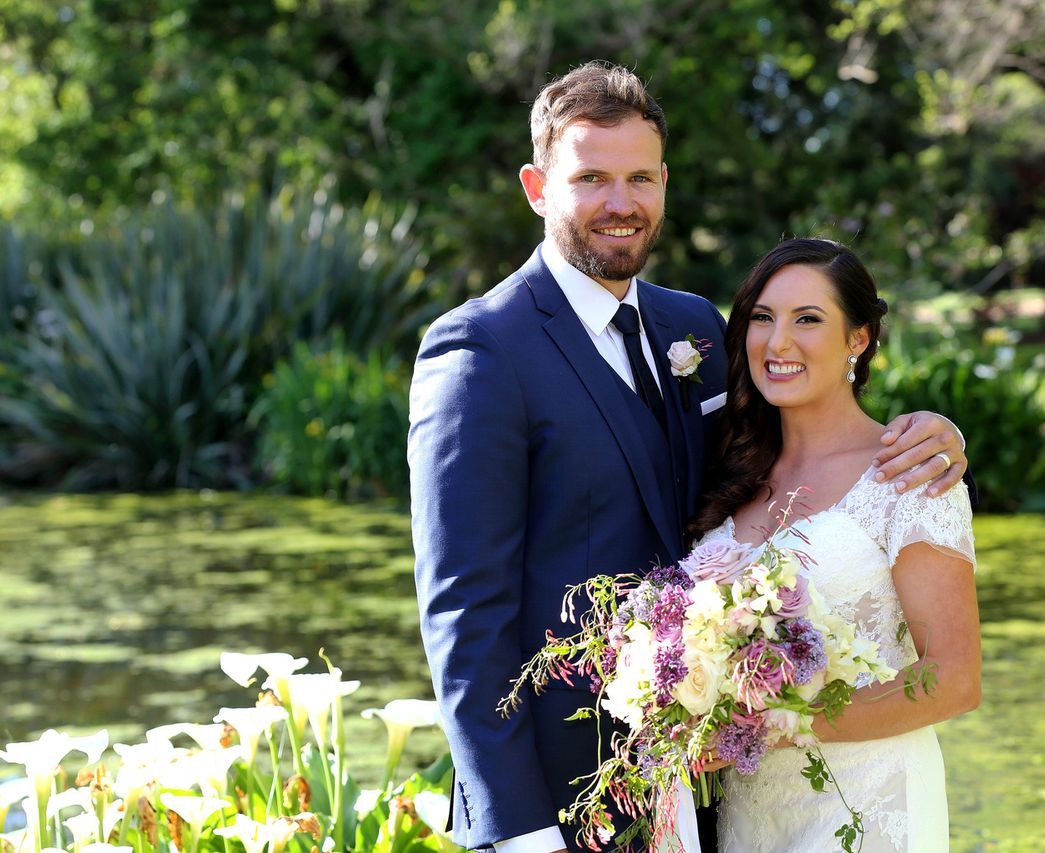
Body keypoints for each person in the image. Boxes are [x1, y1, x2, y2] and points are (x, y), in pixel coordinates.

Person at [408, 62, 968, 853]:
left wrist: (937, 432)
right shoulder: (479, 351)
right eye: (591, 178)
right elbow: (464, 616)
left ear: (665, 182)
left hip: (714, 789)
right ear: (537, 186)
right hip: (565, 799)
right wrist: (522, 832)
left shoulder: (694, 329)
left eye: (640, 177)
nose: (620, 202)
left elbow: (795, 456)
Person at [688, 238, 980, 851]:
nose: (778, 343)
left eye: (808, 320)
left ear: (859, 339)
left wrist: (781, 725)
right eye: (762, 318)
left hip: (870, 804)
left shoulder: (910, 475)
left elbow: (954, 679)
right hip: (750, 815)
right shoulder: (728, 468)